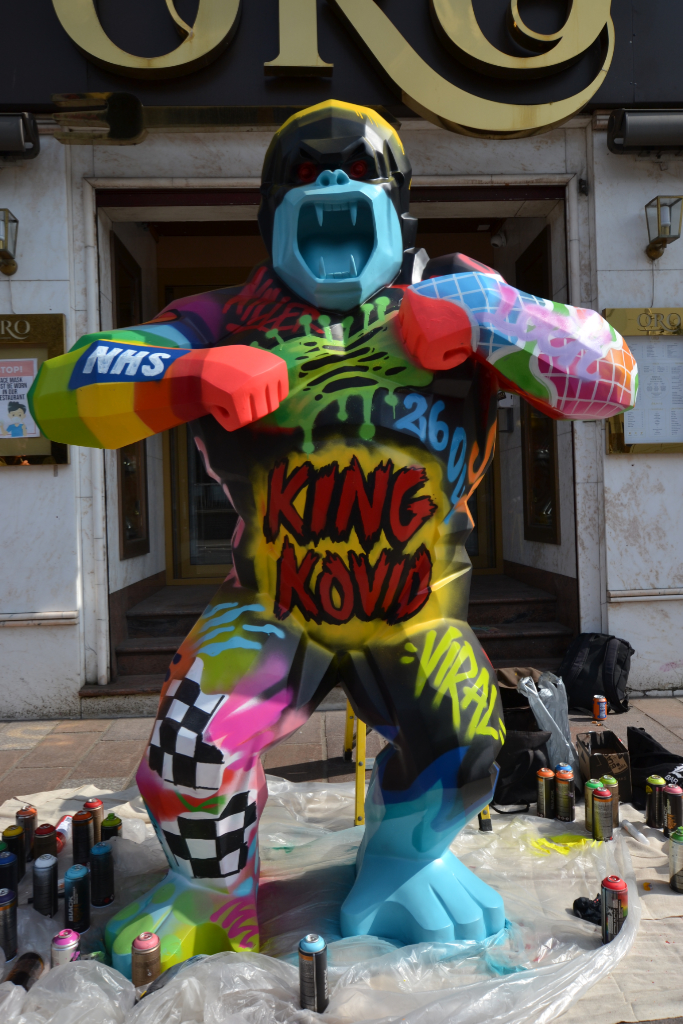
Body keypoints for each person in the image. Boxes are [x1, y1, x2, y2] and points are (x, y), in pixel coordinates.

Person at [28, 100, 637, 977]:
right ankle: (210, 892)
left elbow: (611, 374)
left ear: (398, 206)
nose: (335, 182)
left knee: (467, 742)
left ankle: (403, 864)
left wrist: (485, 318)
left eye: (361, 170)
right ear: (273, 211)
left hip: (415, 614)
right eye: (307, 174)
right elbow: (60, 391)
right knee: (190, 745)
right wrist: (190, 371)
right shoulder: (223, 317)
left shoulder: (460, 291)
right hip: (273, 612)